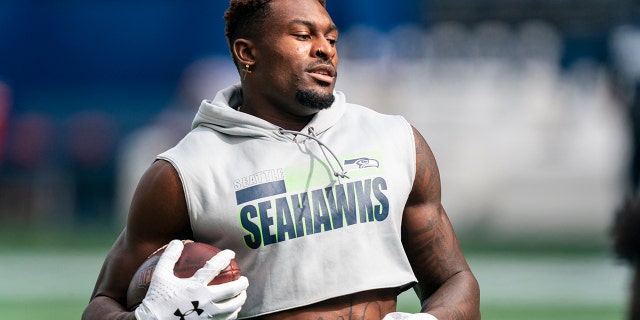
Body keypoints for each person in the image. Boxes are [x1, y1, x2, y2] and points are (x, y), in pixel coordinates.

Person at [82, 0, 481, 319]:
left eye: (332, 38)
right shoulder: (183, 173)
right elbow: (103, 302)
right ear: (247, 53)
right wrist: (145, 319)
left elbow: (455, 281)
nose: (324, 48)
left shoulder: (395, 140)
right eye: (303, 35)